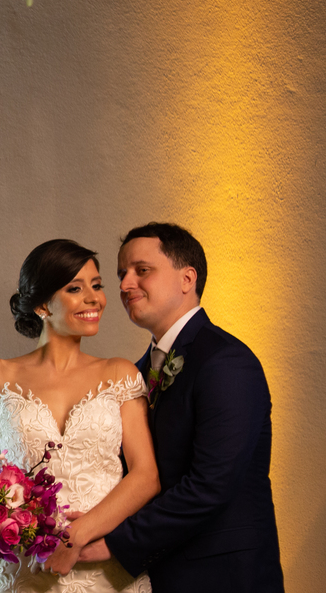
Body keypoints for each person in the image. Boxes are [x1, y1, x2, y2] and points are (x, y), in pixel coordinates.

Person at [0, 239, 160, 592]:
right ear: (43, 304)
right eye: (76, 288)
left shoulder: (120, 375)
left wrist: (77, 537)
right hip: (27, 572)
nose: (95, 299)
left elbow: (146, 475)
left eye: (97, 285)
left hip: (106, 568)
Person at [78, 223, 283, 592]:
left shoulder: (225, 360)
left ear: (187, 278)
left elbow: (210, 485)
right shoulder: (137, 372)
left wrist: (114, 541)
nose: (124, 285)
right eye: (122, 274)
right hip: (157, 576)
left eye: (142, 271)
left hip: (224, 576)